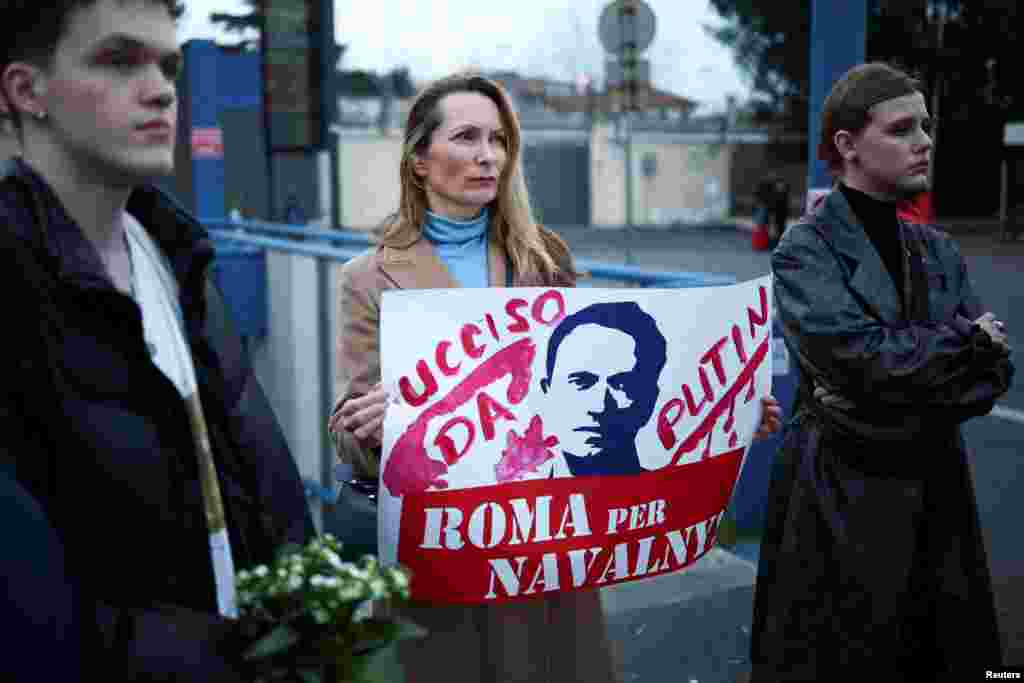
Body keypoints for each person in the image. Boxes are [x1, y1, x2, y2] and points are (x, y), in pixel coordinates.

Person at [329, 72, 783, 682]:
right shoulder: (368, 277)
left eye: (498, 139)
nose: (488, 155)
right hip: (444, 561)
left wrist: (729, 417)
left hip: (546, 556)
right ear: (418, 160)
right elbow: (349, 429)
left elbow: (602, 396)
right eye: (466, 137)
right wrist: (377, 428)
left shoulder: (544, 259)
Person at [0, 1, 314, 679]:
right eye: (119, 60)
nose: (162, 87)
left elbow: (260, 490)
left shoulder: (178, 256)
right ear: (27, 92)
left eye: (167, 64)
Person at [749, 62, 1014, 680]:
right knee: (841, 657)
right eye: (902, 129)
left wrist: (920, 364)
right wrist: (962, 344)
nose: (924, 141)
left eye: (925, 126)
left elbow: (991, 376)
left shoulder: (939, 249)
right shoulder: (805, 248)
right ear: (847, 146)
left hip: (936, 489)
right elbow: (859, 360)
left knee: (941, 652)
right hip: (839, 492)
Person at [539, 301, 667, 477]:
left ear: (649, 402)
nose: (599, 406)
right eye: (580, 382)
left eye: (621, 385)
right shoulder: (516, 501)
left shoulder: (680, 502)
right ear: (547, 395)